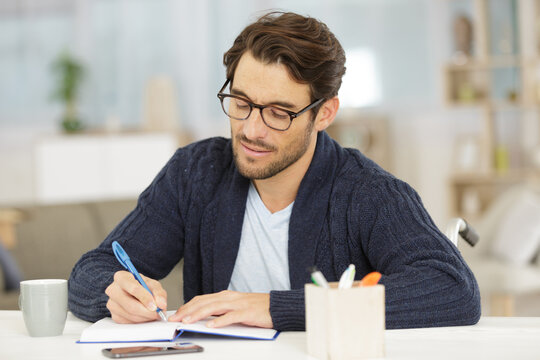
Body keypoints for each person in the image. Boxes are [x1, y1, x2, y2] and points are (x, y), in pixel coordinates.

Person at [68, 11, 481, 330]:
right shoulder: (195, 172)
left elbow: (452, 289)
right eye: (242, 102)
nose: (250, 130)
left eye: (278, 113)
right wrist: (112, 292)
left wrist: (274, 306)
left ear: (324, 114)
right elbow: (93, 268)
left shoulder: (368, 192)